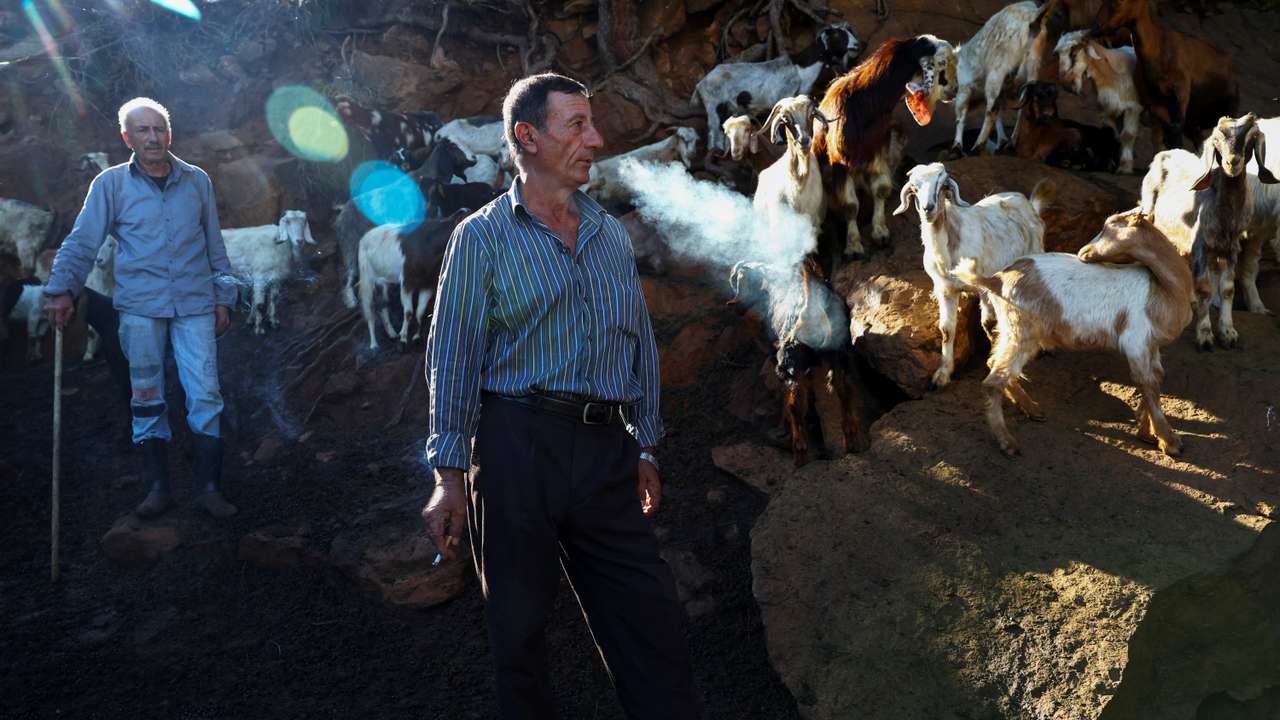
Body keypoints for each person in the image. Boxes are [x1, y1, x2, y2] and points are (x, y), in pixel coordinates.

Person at [421, 73, 703, 719]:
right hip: (517, 446)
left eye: (592, 123)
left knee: (650, 620)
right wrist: (447, 473)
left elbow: (637, 344)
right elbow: (453, 355)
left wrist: (646, 443)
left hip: (607, 452)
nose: (595, 139)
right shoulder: (481, 238)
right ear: (528, 136)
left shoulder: (607, 235)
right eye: (577, 125)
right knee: (518, 634)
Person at [44, 96, 239, 519]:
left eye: (158, 129)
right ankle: (158, 489)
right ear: (126, 137)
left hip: (194, 305)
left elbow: (215, 248)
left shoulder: (197, 181)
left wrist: (224, 296)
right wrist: (61, 289)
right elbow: (83, 241)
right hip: (139, 309)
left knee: (206, 394)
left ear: (169, 134)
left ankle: (208, 488)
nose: (152, 137)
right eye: (143, 130)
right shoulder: (110, 185)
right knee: (147, 397)